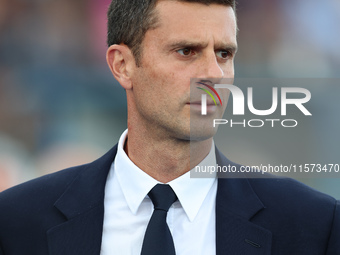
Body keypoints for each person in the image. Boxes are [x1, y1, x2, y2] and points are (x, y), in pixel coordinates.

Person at [0, 0, 339, 254]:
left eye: (223, 53)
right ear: (122, 65)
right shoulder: (17, 219)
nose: (214, 75)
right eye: (186, 51)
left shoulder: (312, 225)